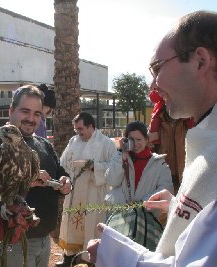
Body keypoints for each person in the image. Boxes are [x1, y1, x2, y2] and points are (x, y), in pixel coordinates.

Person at [87, 10, 217, 266]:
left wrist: (116, 255)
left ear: (200, 61)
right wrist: (181, 208)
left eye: (157, 68)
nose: (152, 87)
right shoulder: (205, 137)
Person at [0, 85, 72, 267]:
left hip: (43, 236)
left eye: (37, 113)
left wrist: (64, 182)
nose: (31, 119)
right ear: (11, 111)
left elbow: (58, 172)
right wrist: (25, 180)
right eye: (25, 111)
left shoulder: (43, 144)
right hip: (11, 238)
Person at [56, 112, 116, 267]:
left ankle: (91, 261)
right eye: (76, 129)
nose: (78, 132)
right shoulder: (74, 141)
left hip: (94, 193)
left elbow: (115, 167)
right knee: (70, 225)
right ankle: (69, 259)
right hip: (75, 191)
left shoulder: (106, 143)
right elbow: (63, 163)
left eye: (81, 129)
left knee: (91, 225)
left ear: (90, 126)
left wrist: (94, 166)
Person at [104, 121, 173, 250]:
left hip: (147, 221)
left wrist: (141, 204)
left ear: (147, 140)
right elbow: (111, 181)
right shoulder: (119, 157)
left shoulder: (159, 163)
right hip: (121, 220)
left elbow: (165, 190)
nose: (135, 144)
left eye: (139, 139)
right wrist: (122, 155)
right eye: (131, 139)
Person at [148, 88, 194, 194]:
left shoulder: (189, 123)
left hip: (186, 175)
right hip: (163, 177)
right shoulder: (155, 127)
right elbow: (149, 151)